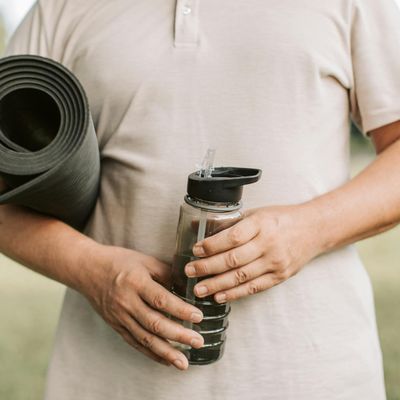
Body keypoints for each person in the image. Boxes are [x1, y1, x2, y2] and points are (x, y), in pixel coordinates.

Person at [1, 0, 400, 398]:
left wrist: (310, 229)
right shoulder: (61, 7)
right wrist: (90, 269)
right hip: (108, 380)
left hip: (311, 376)